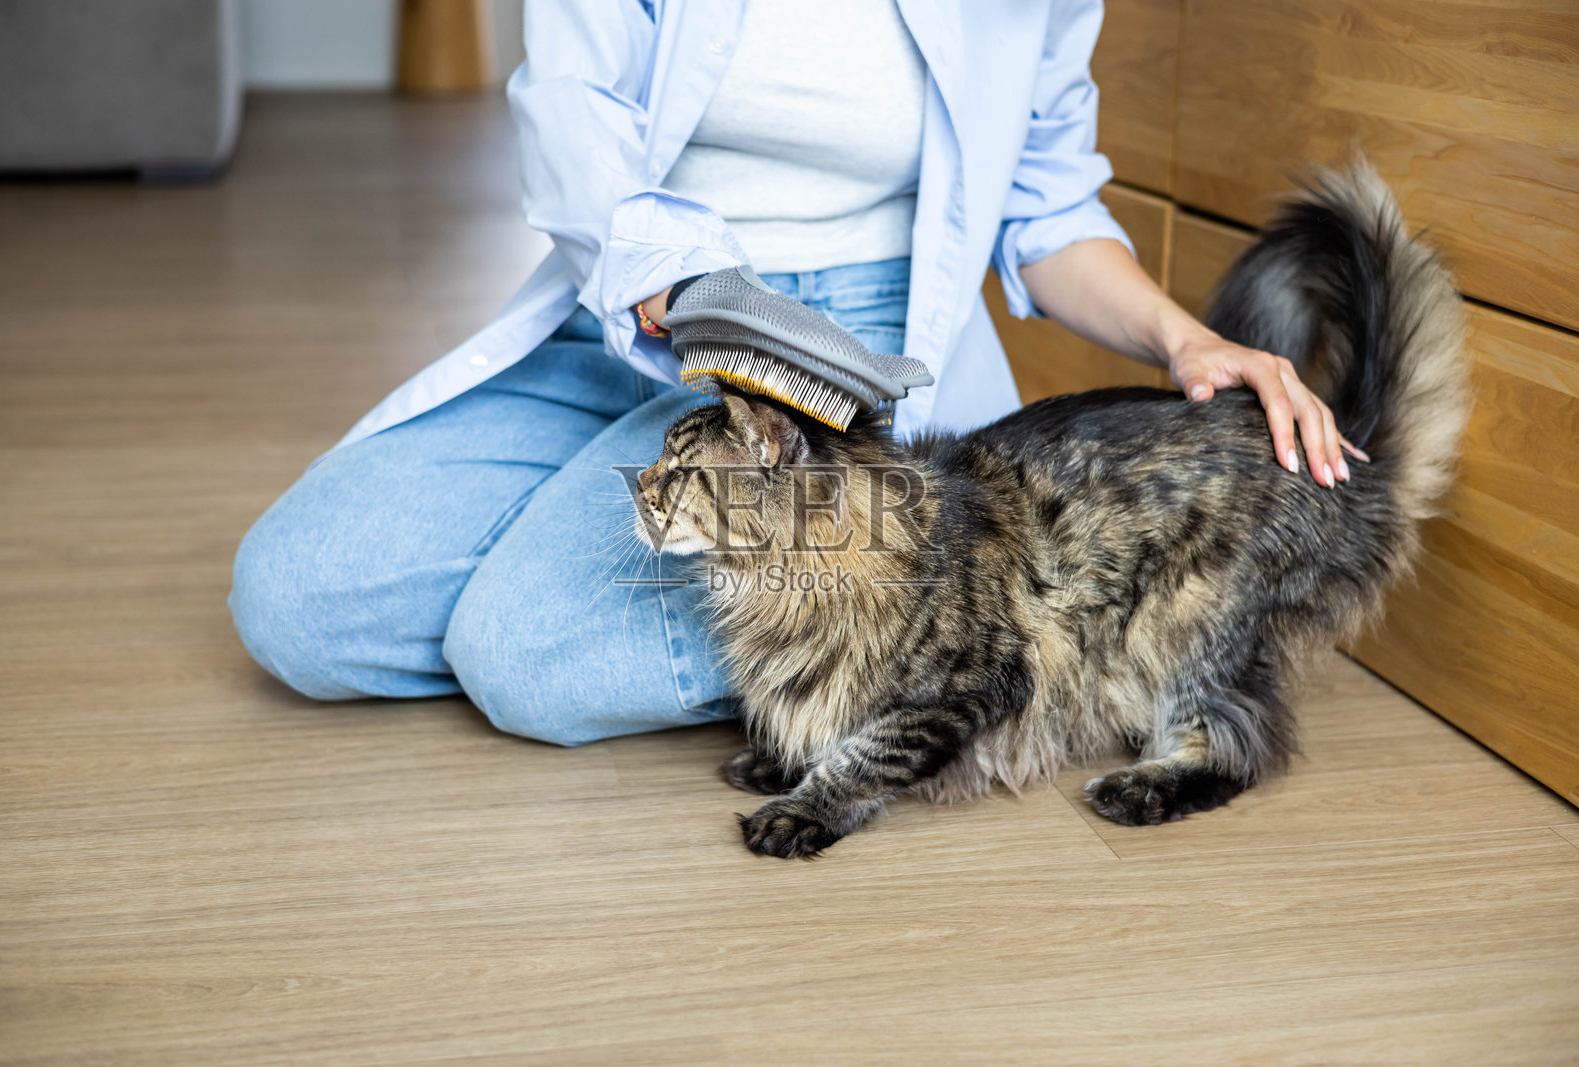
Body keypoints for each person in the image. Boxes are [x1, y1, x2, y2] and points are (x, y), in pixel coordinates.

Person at [230, 0, 1357, 745]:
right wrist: (675, 289)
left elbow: (1045, 203)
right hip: (640, 299)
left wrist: (1180, 340)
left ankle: (938, 646)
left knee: (528, 655)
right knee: (296, 598)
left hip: (847, 365)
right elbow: (570, 114)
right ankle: (689, 550)